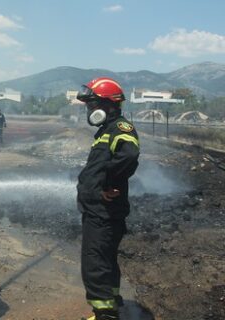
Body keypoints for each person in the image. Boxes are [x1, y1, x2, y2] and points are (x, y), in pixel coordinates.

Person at [76, 77, 140, 320]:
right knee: (106, 260)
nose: (90, 110)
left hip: (103, 211)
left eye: (93, 105)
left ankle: (105, 314)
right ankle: (112, 303)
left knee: (95, 264)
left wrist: (108, 183)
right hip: (100, 210)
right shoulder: (106, 131)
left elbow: (130, 156)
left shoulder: (120, 128)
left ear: (108, 105)